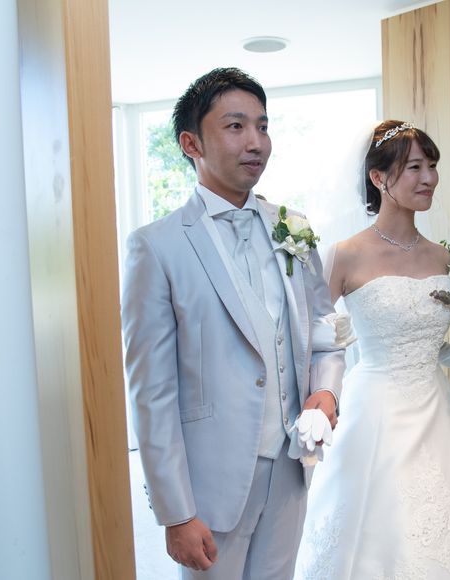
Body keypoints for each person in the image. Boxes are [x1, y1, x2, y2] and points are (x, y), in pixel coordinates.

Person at [294, 120, 450, 579]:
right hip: (374, 412)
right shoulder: (345, 255)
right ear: (378, 178)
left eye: (432, 165)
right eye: (414, 167)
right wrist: (318, 398)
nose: (429, 177)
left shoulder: (443, 258)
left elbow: (432, 347)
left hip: (438, 408)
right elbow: (311, 337)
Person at [120, 67, 346, 580]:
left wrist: (327, 391)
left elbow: (324, 331)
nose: (256, 142)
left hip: (290, 467)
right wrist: (176, 512)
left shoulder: (293, 228)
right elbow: (152, 392)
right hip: (210, 484)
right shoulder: (156, 246)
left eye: (262, 126)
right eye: (236, 126)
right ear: (191, 143)